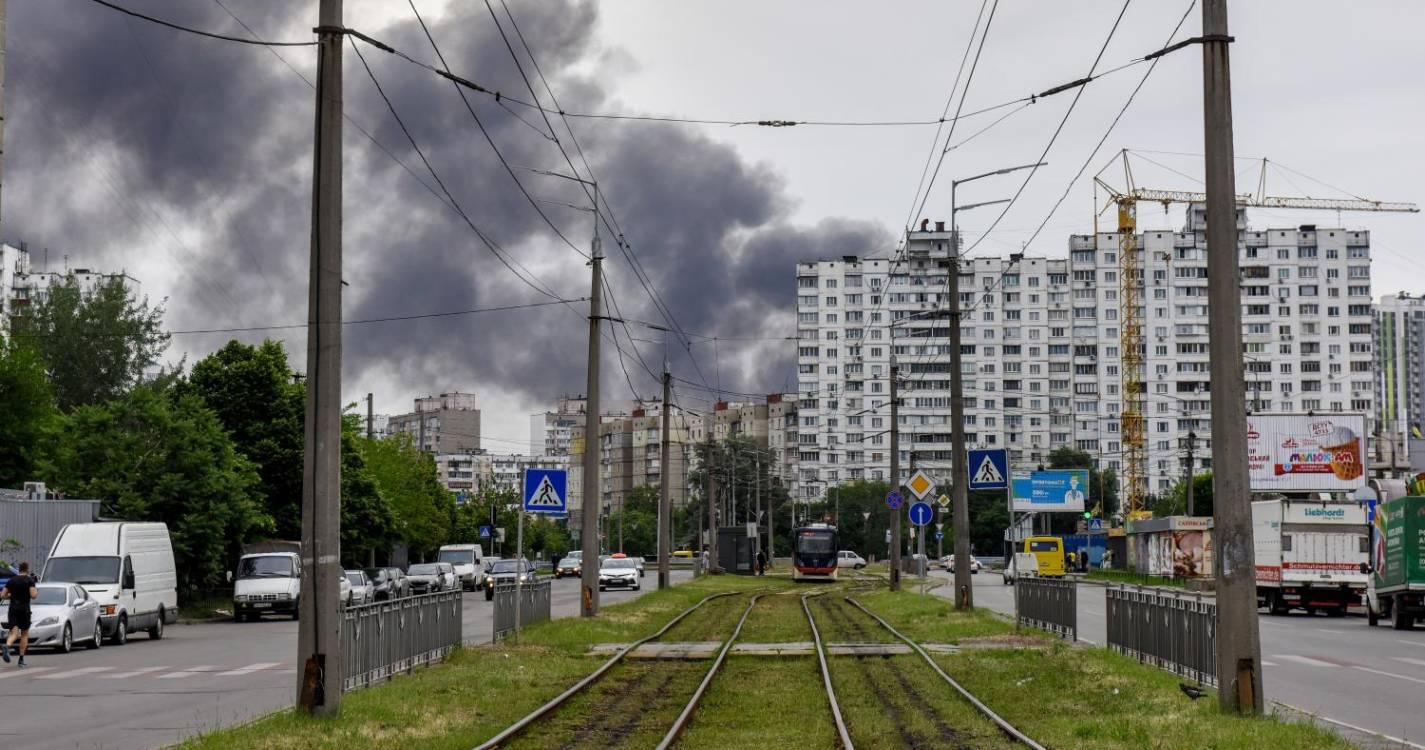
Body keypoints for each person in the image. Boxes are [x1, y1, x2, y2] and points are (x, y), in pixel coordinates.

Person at [1, 561, 38, 668]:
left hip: (12, 610)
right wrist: (36, 591)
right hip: (24, 610)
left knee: (14, 633)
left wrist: (11, 596)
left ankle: (7, 646)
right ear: (27, 569)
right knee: (24, 634)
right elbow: (33, 595)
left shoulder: (11, 580)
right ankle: (21, 659)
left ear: (19, 569)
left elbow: (3, 595)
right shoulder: (29, 580)